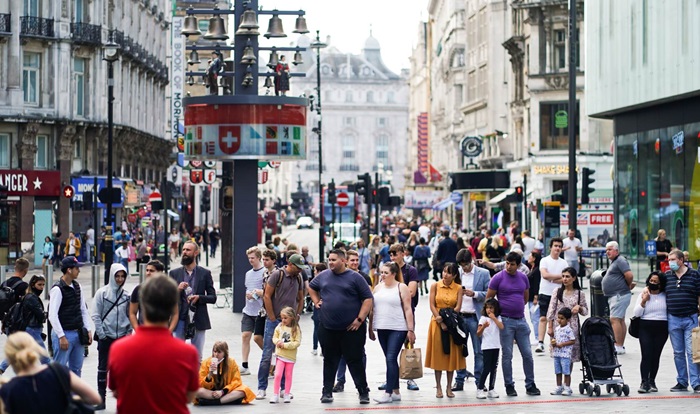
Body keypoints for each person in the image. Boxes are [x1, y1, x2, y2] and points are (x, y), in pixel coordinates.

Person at [108, 275, 200, 413]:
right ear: (171, 307)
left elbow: (116, 391)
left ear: (143, 304)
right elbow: (189, 396)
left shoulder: (119, 349)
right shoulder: (188, 353)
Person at [308, 249, 374, 404]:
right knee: (330, 361)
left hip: (352, 329)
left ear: (343, 261)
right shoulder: (323, 276)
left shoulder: (356, 278)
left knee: (355, 360)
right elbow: (311, 287)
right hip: (328, 328)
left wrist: (360, 319)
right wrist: (316, 301)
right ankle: (327, 391)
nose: (330, 262)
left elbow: (368, 299)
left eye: (334, 260)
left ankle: (363, 392)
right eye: (329, 259)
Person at [0, 332, 101, 413]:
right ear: (34, 348)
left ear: (9, 357)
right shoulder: (57, 371)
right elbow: (95, 398)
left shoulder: (8, 390)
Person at [486, 251, 540, 397]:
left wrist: (517, 308)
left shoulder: (523, 278)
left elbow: (525, 297)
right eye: (507, 263)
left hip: (521, 320)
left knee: (527, 354)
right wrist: (493, 317)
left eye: (512, 264)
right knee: (507, 355)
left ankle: (530, 384)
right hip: (505, 321)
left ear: (518, 265)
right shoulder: (497, 278)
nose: (509, 267)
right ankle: (509, 385)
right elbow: (489, 298)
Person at [256, 254, 305, 400]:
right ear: (290, 264)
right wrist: (271, 317)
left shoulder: (298, 277)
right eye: (298, 267)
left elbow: (301, 297)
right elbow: (267, 295)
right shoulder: (278, 274)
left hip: (290, 322)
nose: (300, 270)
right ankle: (261, 387)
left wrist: (297, 315)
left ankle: (284, 388)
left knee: (285, 355)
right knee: (267, 354)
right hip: (275, 320)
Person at [367, 262, 416, 404]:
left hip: (398, 327)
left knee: (390, 358)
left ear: (393, 274)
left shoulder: (402, 287)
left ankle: (387, 393)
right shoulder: (377, 288)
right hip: (382, 327)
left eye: (386, 273)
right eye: (381, 272)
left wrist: (410, 330)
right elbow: (372, 309)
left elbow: (408, 309)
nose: (382, 275)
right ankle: (396, 391)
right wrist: (371, 328)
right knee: (390, 360)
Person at [91, 263, 132, 410]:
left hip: (122, 338)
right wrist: (102, 334)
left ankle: (124, 399)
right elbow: (95, 315)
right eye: (117, 276)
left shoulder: (127, 295)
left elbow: (131, 315)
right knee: (103, 368)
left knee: (123, 370)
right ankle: (101, 400)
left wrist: (128, 333)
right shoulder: (102, 293)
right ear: (112, 276)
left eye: (122, 276)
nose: (120, 279)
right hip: (106, 337)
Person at [170, 241, 217, 360]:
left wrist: (199, 297)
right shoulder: (174, 273)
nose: (184, 252)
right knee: (178, 354)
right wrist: (178, 289)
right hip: (180, 317)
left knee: (197, 356)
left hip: (199, 318)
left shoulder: (205, 273)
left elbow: (213, 297)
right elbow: (167, 297)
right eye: (184, 250)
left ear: (196, 253)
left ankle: (195, 378)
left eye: (188, 250)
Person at [48, 256, 93, 377]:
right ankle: (57, 395)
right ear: (69, 270)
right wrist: (61, 336)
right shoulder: (57, 289)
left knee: (76, 369)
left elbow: (83, 309)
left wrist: (87, 329)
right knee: (60, 370)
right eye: (76, 268)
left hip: (78, 333)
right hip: (64, 334)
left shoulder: (78, 287)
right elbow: (52, 315)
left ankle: (73, 395)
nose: (79, 271)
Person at [452, 248, 490, 392]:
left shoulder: (483, 273)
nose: (464, 268)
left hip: (475, 317)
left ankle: (480, 381)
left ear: (472, 260)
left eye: (466, 265)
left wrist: (474, 294)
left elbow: (490, 293)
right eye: (462, 265)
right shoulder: (457, 273)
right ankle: (459, 379)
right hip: (460, 317)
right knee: (459, 350)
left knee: (478, 351)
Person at [425, 262, 464, 398]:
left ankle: (449, 386)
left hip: (452, 324)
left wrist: (449, 319)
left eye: (448, 272)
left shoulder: (458, 288)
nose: (445, 274)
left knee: (451, 356)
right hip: (437, 323)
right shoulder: (435, 285)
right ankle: (439, 387)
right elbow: (432, 304)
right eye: (444, 271)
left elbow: (458, 307)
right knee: (438, 354)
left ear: (454, 275)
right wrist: (439, 318)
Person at [664, 249, 700, 393]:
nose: (670, 263)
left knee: (692, 352)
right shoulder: (667, 276)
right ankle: (682, 380)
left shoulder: (694, 275)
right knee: (678, 352)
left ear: (680, 260)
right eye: (668, 260)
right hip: (673, 318)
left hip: (690, 318)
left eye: (672, 260)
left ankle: (696, 382)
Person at [546, 266, 588, 376]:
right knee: (558, 355)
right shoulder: (557, 291)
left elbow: (585, 311)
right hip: (558, 326)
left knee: (568, 356)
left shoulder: (579, 294)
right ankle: (559, 383)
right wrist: (550, 327)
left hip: (571, 328)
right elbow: (551, 310)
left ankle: (567, 381)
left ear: (574, 278)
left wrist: (579, 308)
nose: (565, 279)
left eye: (568, 277)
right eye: (563, 276)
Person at [633, 271, 668, 393]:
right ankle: (644, 381)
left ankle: (652, 380)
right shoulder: (644, 294)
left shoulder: (665, 295)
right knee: (646, 354)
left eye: (656, 282)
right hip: (645, 326)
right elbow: (636, 313)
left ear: (661, 284)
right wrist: (644, 301)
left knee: (655, 355)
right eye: (651, 281)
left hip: (662, 327)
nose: (652, 283)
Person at [196, 341, 256, 406]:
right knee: (197, 391)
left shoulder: (231, 362)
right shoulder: (206, 362)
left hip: (226, 391)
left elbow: (237, 381)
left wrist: (222, 392)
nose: (216, 354)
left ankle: (215, 402)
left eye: (219, 352)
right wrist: (210, 374)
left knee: (244, 390)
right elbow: (201, 383)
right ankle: (226, 400)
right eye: (215, 351)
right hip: (211, 391)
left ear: (225, 353)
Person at [601, 241, 634, 354]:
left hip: (619, 294)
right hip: (617, 294)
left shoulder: (620, 260)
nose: (607, 252)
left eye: (610, 249)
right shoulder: (615, 261)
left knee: (614, 319)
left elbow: (629, 275)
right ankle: (620, 345)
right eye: (606, 250)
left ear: (616, 250)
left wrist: (627, 285)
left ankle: (618, 345)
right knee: (619, 320)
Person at [536, 237, 567, 353]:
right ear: (550, 247)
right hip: (545, 292)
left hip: (558, 293)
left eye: (559, 246)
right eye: (555, 246)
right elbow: (544, 275)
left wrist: (553, 278)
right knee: (543, 317)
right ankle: (540, 342)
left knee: (556, 319)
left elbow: (565, 279)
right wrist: (558, 276)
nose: (557, 248)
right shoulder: (544, 260)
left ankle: (554, 341)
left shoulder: (564, 262)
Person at [270, 307, 302, 403]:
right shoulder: (279, 327)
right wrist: (277, 342)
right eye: (282, 318)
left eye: (285, 318)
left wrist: (285, 345)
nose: (283, 320)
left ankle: (287, 393)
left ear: (291, 317)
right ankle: (275, 394)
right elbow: (274, 337)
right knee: (278, 374)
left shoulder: (296, 329)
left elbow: (297, 342)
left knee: (288, 375)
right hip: (280, 355)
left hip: (290, 357)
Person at [241, 246, 265, 376]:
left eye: (253, 258)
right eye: (249, 258)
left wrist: (255, 295)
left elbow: (266, 292)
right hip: (248, 309)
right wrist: (248, 295)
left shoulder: (265, 272)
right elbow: (247, 288)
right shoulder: (248, 274)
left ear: (259, 258)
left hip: (260, 310)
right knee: (245, 336)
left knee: (259, 338)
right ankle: (245, 365)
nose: (250, 260)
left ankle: (270, 357)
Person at [129, 260, 172, 329]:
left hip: (162, 331)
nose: (148, 273)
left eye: (151, 271)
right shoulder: (138, 290)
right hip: (144, 331)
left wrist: (169, 330)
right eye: (147, 270)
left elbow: (174, 313)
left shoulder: (167, 290)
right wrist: (137, 330)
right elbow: (132, 313)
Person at [475, 298, 504, 399]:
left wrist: (494, 318)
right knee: (486, 368)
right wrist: (483, 327)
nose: (489, 310)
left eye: (491, 308)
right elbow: (478, 333)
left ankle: (492, 389)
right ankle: (480, 388)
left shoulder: (498, 318)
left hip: (496, 345)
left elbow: (501, 327)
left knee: (493, 368)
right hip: (487, 346)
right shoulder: (483, 319)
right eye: (487, 308)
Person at [549, 307, 576, 396]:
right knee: (558, 371)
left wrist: (563, 344)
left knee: (566, 371)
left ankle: (567, 387)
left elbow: (573, 340)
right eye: (558, 318)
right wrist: (553, 343)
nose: (559, 320)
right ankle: (559, 386)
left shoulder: (568, 329)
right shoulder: (557, 329)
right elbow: (555, 338)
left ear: (567, 320)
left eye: (562, 318)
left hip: (565, 354)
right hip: (557, 353)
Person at [310, 263, 327, 356]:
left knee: (317, 328)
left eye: (315, 270)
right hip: (324, 306)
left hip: (318, 307)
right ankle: (321, 348)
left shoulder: (316, 281)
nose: (314, 272)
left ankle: (315, 347)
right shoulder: (327, 280)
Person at [527, 252, 542, 343]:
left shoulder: (537, 270)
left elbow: (536, 284)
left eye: (530, 256)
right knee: (533, 318)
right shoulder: (532, 269)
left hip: (533, 296)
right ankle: (536, 336)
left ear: (534, 258)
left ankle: (537, 337)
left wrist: (536, 297)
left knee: (535, 318)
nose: (528, 258)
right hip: (530, 296)